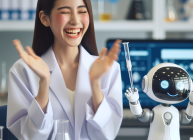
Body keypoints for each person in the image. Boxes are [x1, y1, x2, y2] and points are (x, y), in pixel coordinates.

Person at [6, 0, 123, 139]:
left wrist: (95, 84)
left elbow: (107, 134)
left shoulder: (109, 69)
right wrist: (44, 83)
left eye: (82, 11)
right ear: (44, 18)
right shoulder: (22, 71)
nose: (75, 20)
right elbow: (30, 136)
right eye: (65, 12)